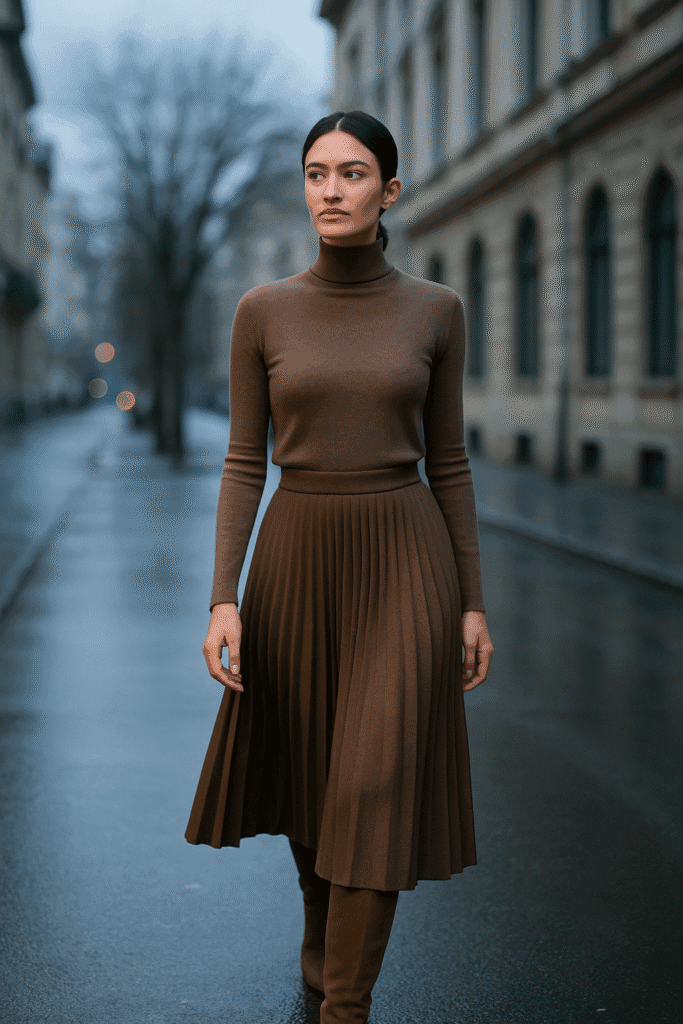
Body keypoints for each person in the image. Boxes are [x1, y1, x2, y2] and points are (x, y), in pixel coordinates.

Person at [185, 110, 494, 1023]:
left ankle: (342, 1006)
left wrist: (472, 602)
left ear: (388, 191)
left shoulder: (436, 309)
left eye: (352, 173)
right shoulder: (262, 311)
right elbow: (245, 460)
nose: (331, 189)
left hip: (405, 556)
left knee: (371, 782)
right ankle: (323, 958)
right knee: (316, 784)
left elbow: (450, 460)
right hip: (294, 556)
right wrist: (221, 598)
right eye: (316, 173)